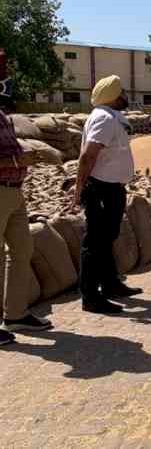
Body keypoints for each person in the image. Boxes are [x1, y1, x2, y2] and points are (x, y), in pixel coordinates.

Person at [75, 75, 142, 314]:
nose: (125, 96)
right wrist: (78, 187)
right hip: (100, 188)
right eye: (122, 92)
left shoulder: (114, 117)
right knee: (95, 242)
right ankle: (91, 297)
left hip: (112, 187)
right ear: (113, 96)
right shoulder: (103, 118)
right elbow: (88, 156)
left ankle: (111, 284)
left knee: (107, 238)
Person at [0, 96, 52, 345]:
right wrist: (14, 161)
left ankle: (15, 315)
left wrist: (25, 154)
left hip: (14, 191)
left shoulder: (3, 117)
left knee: (22, 251)